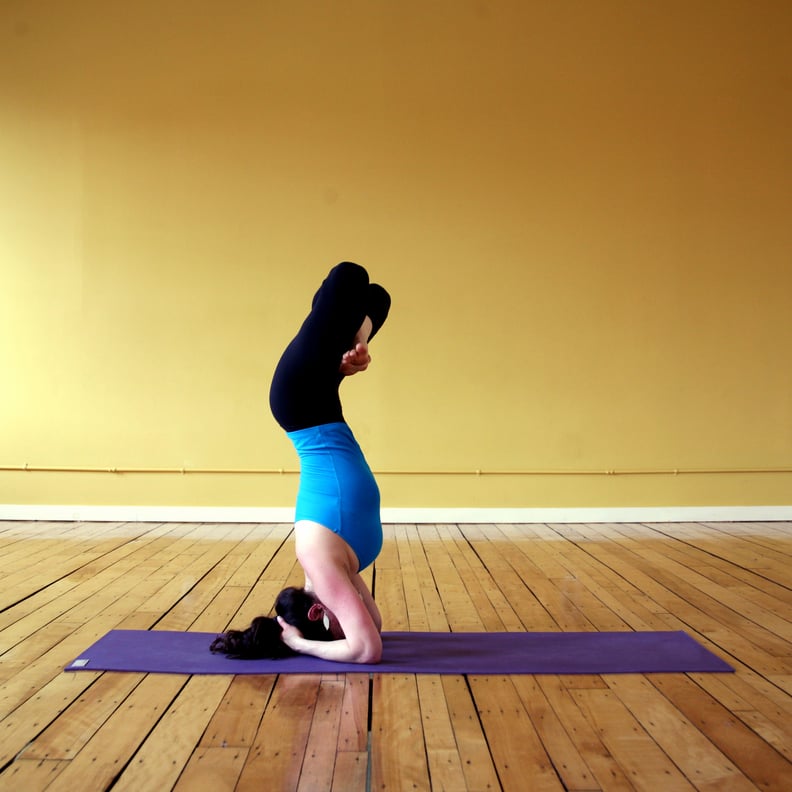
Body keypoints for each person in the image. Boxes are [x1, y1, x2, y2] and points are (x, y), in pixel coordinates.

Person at [211, 262, 390, 663]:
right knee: (377, 299)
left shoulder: (320, 567)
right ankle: (354, 348)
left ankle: (349, 345)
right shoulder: (335, 575)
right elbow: (373, 629)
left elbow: (366, 650)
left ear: (317, 613)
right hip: (319, 403)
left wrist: (300, 644)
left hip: (299, 399)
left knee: (350, 276)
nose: (352, 617)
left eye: (334, 626)